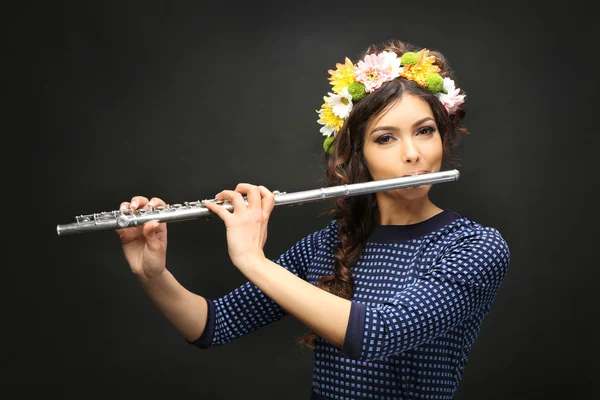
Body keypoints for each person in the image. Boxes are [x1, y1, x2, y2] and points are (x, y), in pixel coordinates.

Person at [116, 39, 511, 400]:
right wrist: (153, 275)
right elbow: (213, 325)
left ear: (443, 136)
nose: (412, 154)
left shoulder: (475, 247)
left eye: (424, 131)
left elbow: (379, 333)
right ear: (358, 155)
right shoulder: (328, 244)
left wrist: (253, 260)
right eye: (385, 138)